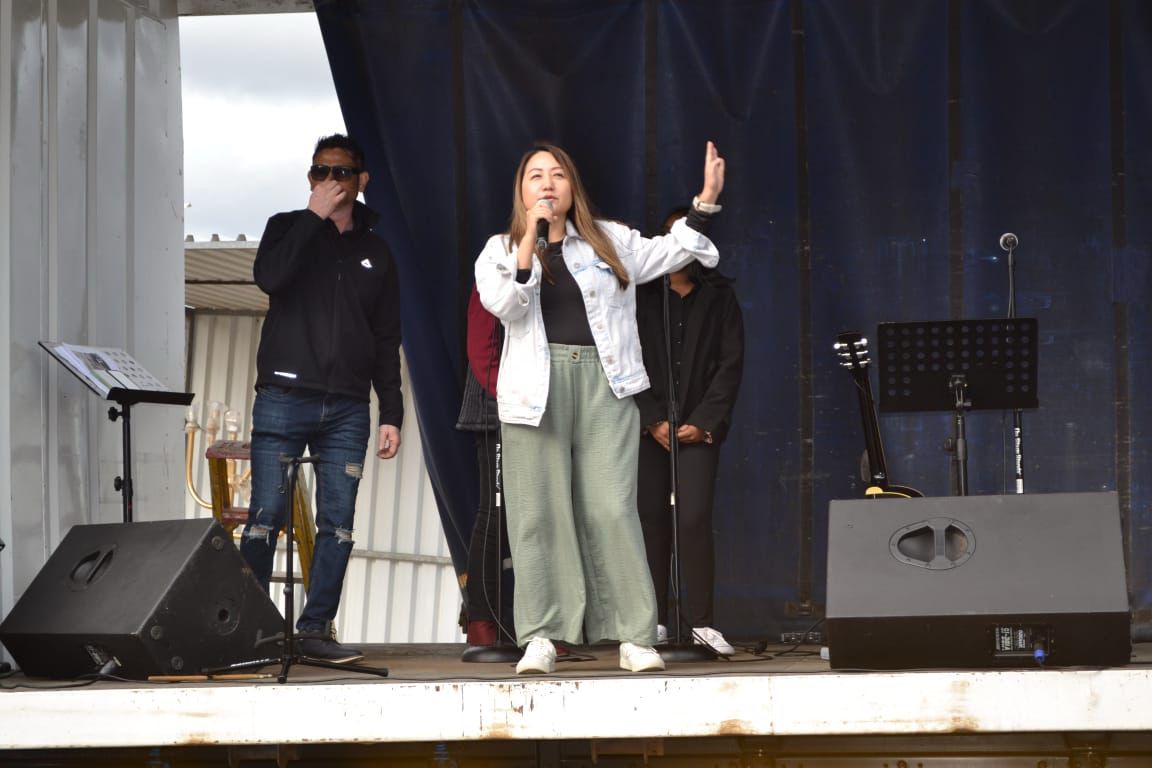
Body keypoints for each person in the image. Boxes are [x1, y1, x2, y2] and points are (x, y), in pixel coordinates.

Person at [475, 140, 725, 674]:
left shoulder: (609, 239)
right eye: (536, 176)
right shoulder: (498, 249)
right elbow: (505, 307)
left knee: (612, 507)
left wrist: (703, 202)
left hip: (605, 383)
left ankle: (634, 636)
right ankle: (541, 635)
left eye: (558, 175)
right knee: (536, 514)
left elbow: (671, 252)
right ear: (521, 191)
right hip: (533, 392)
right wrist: (527, 248)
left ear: (572, 188)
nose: (547, 184)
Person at [240, 133, 403, 663]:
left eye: (341, 173)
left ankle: (315, 629)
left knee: (338, 524)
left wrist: (392, 412)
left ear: (362, 182)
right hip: (285, 394)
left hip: (349, 408)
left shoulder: (376, 251)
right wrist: (313, 216)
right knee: (265, 515)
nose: (331, 181)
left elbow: (386, 337)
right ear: (310, 178)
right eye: (321, 172)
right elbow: (270, 277)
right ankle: (254, 629)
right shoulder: (286, 228)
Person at [635, 208, 744, 656]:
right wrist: (652, 418)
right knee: (651, 520)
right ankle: (654, 620)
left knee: (693, 519)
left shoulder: (720, 298)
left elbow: (729, 365)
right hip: (650, 430)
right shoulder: (640, 296)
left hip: (698, 429)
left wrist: (703, 423)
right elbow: (627, 360)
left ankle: (702, 623)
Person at [455, 284, 515, 646]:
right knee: (494, 514)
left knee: (544, 518)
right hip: (499, 407)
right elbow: (481, 347)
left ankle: (544, 624)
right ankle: (481, 619)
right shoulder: (497, 262)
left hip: (546, 411)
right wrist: (507, 396)